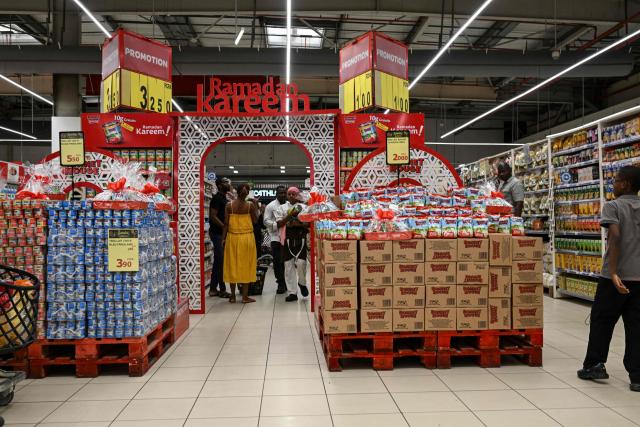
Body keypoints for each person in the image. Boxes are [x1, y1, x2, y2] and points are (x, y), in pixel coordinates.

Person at [578, 166, 640, 392]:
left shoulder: (613, 206)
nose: (613, 184)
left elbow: (614, 235)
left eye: (616, 180)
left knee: (602, 321)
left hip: (615, 277)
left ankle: (595, 364)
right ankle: (637, 375)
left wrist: (613, 272)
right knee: (636, 327)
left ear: (625, 184)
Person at [223, 183, 259, 304]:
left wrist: (223, 239)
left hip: (232, 238)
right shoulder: (250, 206)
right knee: (246, 265)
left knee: (232, 265)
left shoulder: (229, 206)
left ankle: (232, 296)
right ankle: (244, 297)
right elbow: (255, 221)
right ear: (247, 193)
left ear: (236, 192)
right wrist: (257, 206)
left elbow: (226, 224)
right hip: (247, 238)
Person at [276, 187, 310, 302]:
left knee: (301, 263)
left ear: (298, 195)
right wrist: (290, 216)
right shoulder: (281, 208)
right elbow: (280, 223)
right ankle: (292, 293)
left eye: (294, 194)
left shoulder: (305, 207)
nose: (291, 196)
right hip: (287, 239)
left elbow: (308, 223)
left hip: (301, 238)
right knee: (288, 266)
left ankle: (302, 283)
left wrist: (298, 223)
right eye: (289, 194)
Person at [208, 177, 231, 299]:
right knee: (221, 261)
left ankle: (212, 289)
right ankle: (222, 289)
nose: (228, 184)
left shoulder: (224, 198)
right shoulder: (217, 198)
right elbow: (212, 216)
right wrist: (224, 227)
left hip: (221, 233)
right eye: (225, 183)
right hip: (217, 233)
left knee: (218, 262)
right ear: (219, 185)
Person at [264, 186, 288, 294]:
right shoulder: (271, 206)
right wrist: (276, 225)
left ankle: (287, 282)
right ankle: (281, 284)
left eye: (284, 193)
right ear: (276, 194)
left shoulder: (288, 205)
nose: (283, 195)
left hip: (287, 237)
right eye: (280, 193)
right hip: (275, 238)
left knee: (286, 262)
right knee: (278, 262)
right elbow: (265, 220)